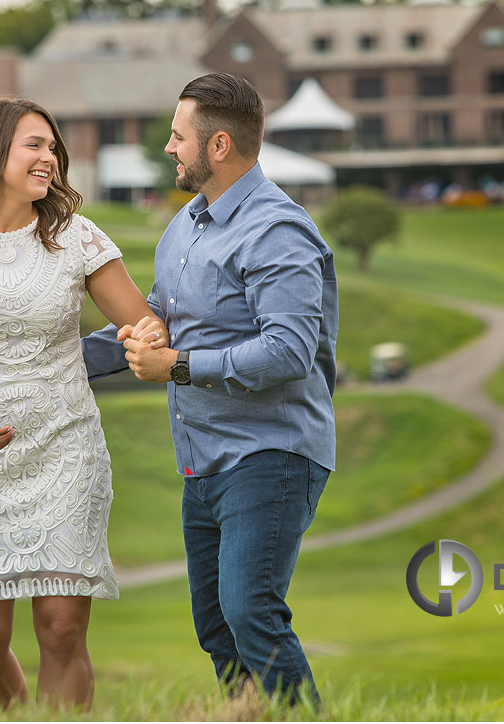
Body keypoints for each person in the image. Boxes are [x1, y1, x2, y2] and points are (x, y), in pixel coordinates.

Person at [0, 97, 164, 710]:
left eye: (52, 146)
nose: (49, 157)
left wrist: (147, 337)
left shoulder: (76, 237)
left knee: (62, 630)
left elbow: (143, 322)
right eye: (34, 145)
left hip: (65, 450)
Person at [82, 73, 339, 704]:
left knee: (250, 609)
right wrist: (41, 364)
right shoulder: (185, 228)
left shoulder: (277, 230)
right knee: (218, 628)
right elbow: (148, 326)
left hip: (271, 452)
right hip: (204, 460)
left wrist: (176, 366)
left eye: (177, 136)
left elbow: (289, 351)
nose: (169, 148)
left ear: (218, 145)